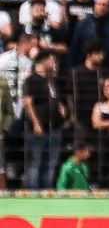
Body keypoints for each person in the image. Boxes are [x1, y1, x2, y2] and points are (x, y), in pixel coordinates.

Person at [21, 51, 68, 189]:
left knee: (51, 163)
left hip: (54, 128)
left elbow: (55, 98)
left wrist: (61, 107)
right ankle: (33, 193)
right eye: (52, 60)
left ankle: (47, 191)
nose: (54, 63)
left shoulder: (51, 81)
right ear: (44, 61)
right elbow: (28, 103)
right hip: (38, 128)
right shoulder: (32, 80)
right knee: (35, 163)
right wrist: (36, 124)